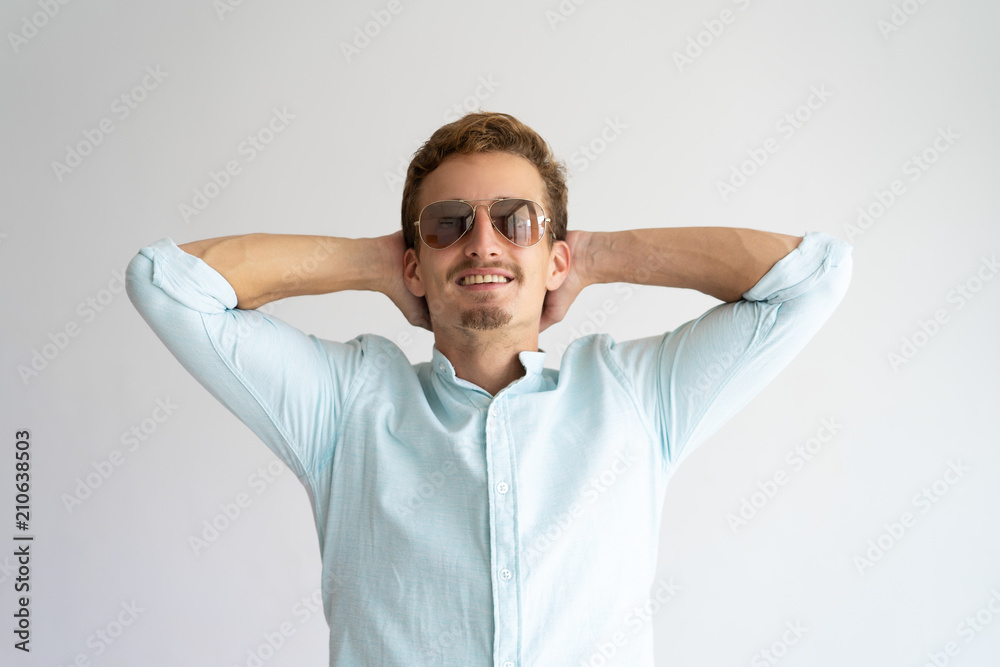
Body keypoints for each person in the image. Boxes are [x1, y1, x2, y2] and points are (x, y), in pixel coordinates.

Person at [126, 111, 852, 666]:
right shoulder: (347, 407)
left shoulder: (633, 395)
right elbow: (167, 283)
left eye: (516, 221)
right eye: (448, 225)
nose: (482, 242)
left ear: (556, 256)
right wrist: (376, 262)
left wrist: (597, 255)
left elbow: (813, 277)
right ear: (414, 264)